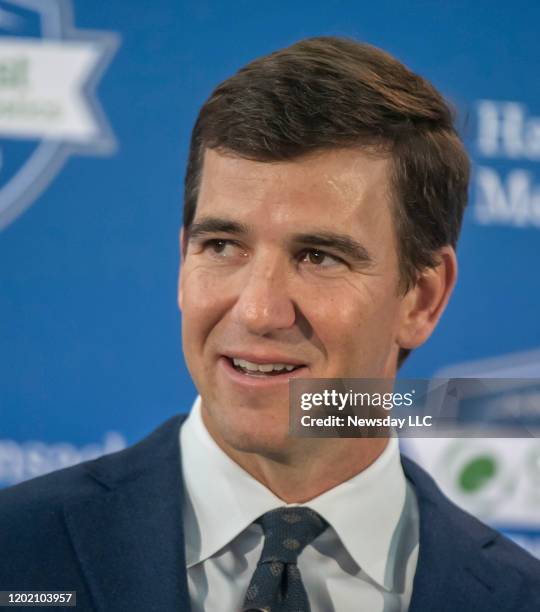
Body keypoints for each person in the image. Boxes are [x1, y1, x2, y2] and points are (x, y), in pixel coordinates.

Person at [1, 36, 539, 612]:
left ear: (422, 299)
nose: (258, 311)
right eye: (224, 245)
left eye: (319, 257)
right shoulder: (18, 554)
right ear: (183, 264)